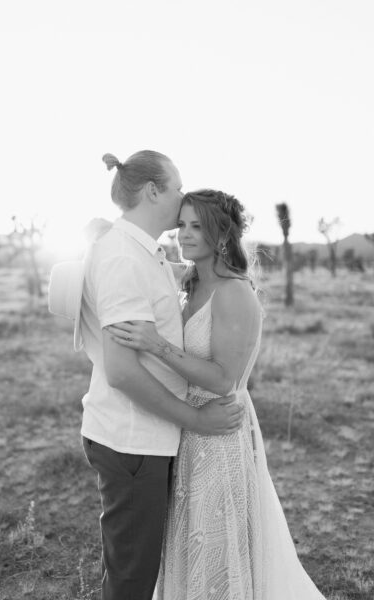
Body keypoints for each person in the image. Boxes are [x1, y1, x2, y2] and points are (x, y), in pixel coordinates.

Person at [108, 189, 327, 600]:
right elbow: (142, 261)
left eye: (196, 227)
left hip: (219, 433)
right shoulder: (192, 280)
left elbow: (225, 379)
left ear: (221, 236)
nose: (184, 235)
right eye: (182, 225)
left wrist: (157, 345)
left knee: (214, 546)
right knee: (186, 542)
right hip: (187, 430)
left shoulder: (234, 292)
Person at [79, 151, 243, 600]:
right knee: (133, 579)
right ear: (153, 190)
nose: (181, 196)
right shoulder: (123, 258)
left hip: (146, 436)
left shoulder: (140, 251)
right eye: (175, 186)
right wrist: (198, 421)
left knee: (141, 567)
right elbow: (123, 373)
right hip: (132, 440)